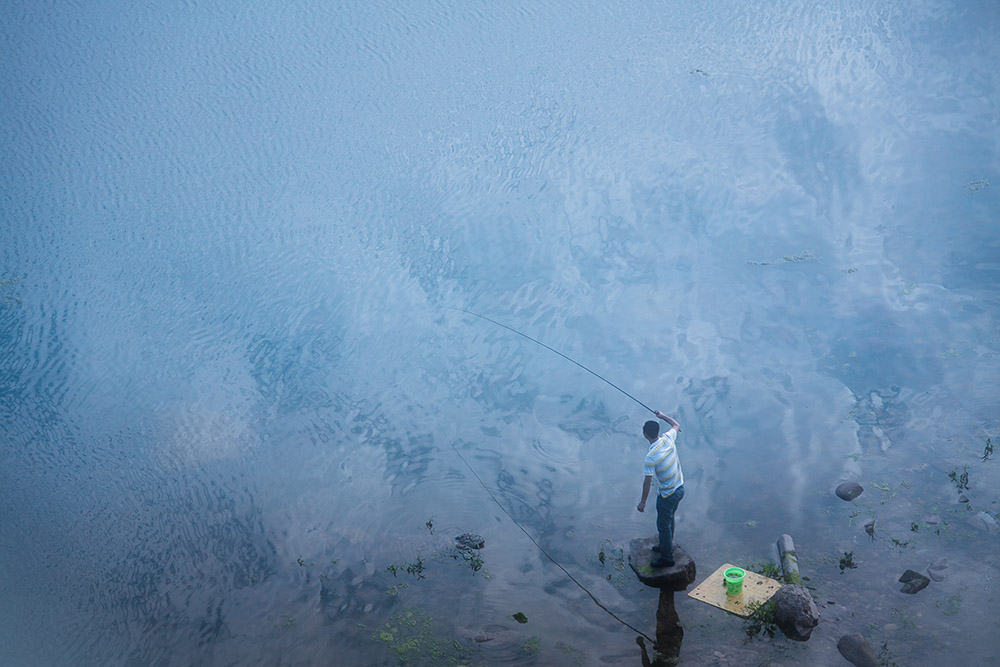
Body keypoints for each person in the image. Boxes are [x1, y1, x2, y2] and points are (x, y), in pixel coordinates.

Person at [636, 410, 684, 568]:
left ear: (645, 434)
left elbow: (647, 482)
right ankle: (666, 545)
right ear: (657, 432)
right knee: (669, 519)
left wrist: (642, 502)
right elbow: (676, 424)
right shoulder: (668, 438)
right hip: (679, 489)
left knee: (663, 526)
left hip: (667, 495)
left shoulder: (651, 456)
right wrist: (663, 416)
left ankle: (667, 558)